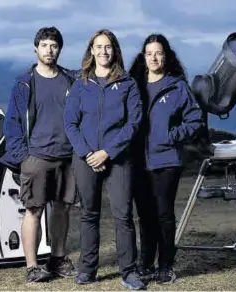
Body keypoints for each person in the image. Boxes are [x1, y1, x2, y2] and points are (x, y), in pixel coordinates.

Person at [63, 29, 147, 290]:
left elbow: (133, 123)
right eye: (98, 47)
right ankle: (87, 270)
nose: (103, 51)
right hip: (85, 158)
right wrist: (88, 153)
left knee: (123, 215)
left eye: (108, 47)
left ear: (115, 51)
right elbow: (70, 122)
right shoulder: (80, 83)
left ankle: (129, 272)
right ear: (91, 51)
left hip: (119, 159)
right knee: (89, 214)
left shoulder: (128, 84)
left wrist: (107, 152)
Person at [0, 26, 78, 283]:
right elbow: (12, 123)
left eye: (54, 46)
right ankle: (32, 266)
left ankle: (57, 258)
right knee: (33, 210)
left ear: (59, 49)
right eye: (44, 45)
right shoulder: (24, 83)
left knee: (62, 209)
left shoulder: (70, 79)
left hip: (66, 156)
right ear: (36, 49)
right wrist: (23, 157)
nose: (49, 50)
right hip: (36, 156)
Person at [128, 33, 204, 284]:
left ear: (166, 56)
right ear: (143, 57)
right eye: (149, 53)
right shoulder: (134, 84)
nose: (153, 57)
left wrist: (172, 135)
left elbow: (195, 120)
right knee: (145, 215)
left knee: (163, 214)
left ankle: (166, 265)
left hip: (167, 160)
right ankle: (146, 264)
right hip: (139, 161)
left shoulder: (177, 86)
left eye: (158, 53)